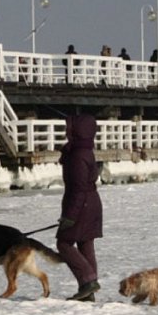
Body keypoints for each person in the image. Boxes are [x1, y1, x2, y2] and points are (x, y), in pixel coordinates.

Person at [56, 113, 103, 301]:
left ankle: (88, 282)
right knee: (85, 243)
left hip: (82, 204)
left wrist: (70, 215)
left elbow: (78, 188)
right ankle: (88, 291)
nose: (66, 131)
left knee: (64, 243)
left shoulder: (77, 155)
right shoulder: (83, 150)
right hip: (91, 203)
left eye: (69, 127)